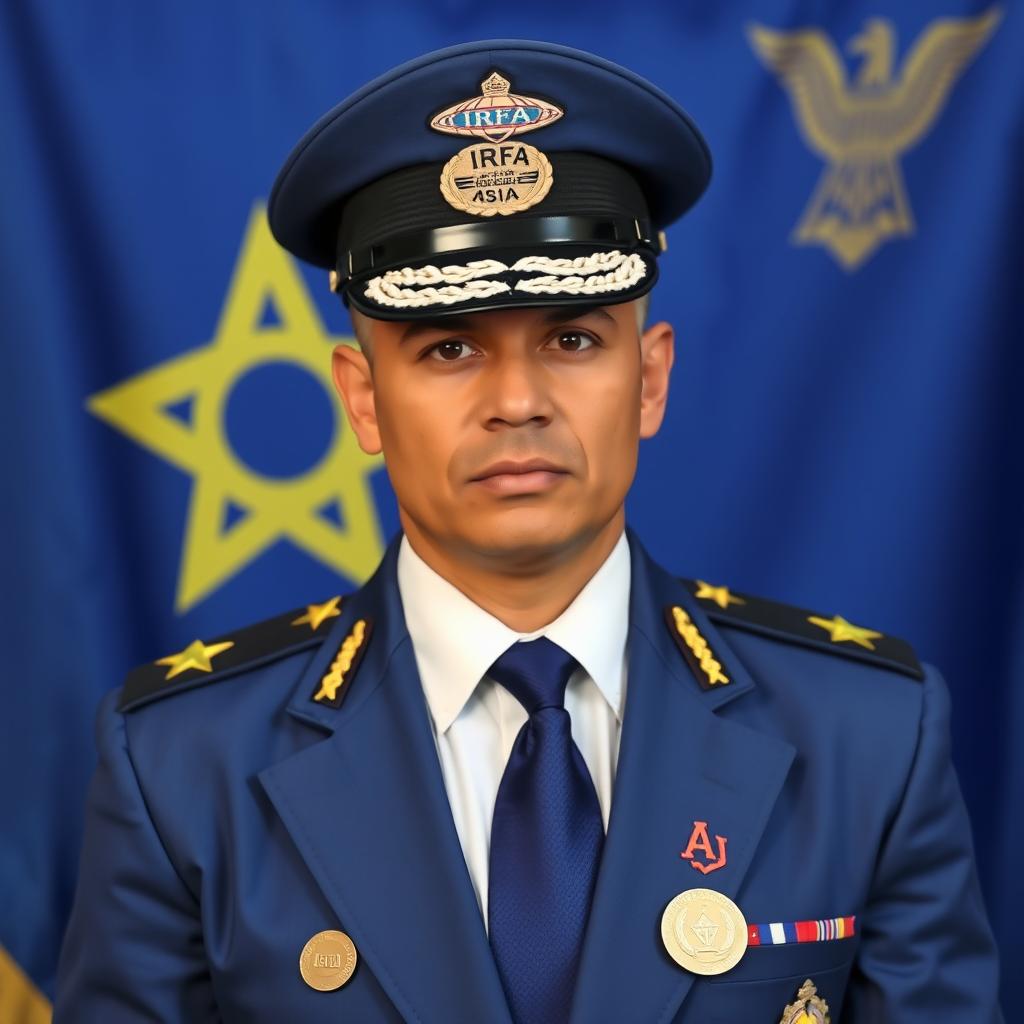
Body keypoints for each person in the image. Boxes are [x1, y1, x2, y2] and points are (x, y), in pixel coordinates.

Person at [54, 39, 1002, 1023]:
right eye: (450, 346)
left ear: (650, 377)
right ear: (362, 399)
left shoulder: (869, 740)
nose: (516, 400)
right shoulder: (179, 767)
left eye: (573, 337)